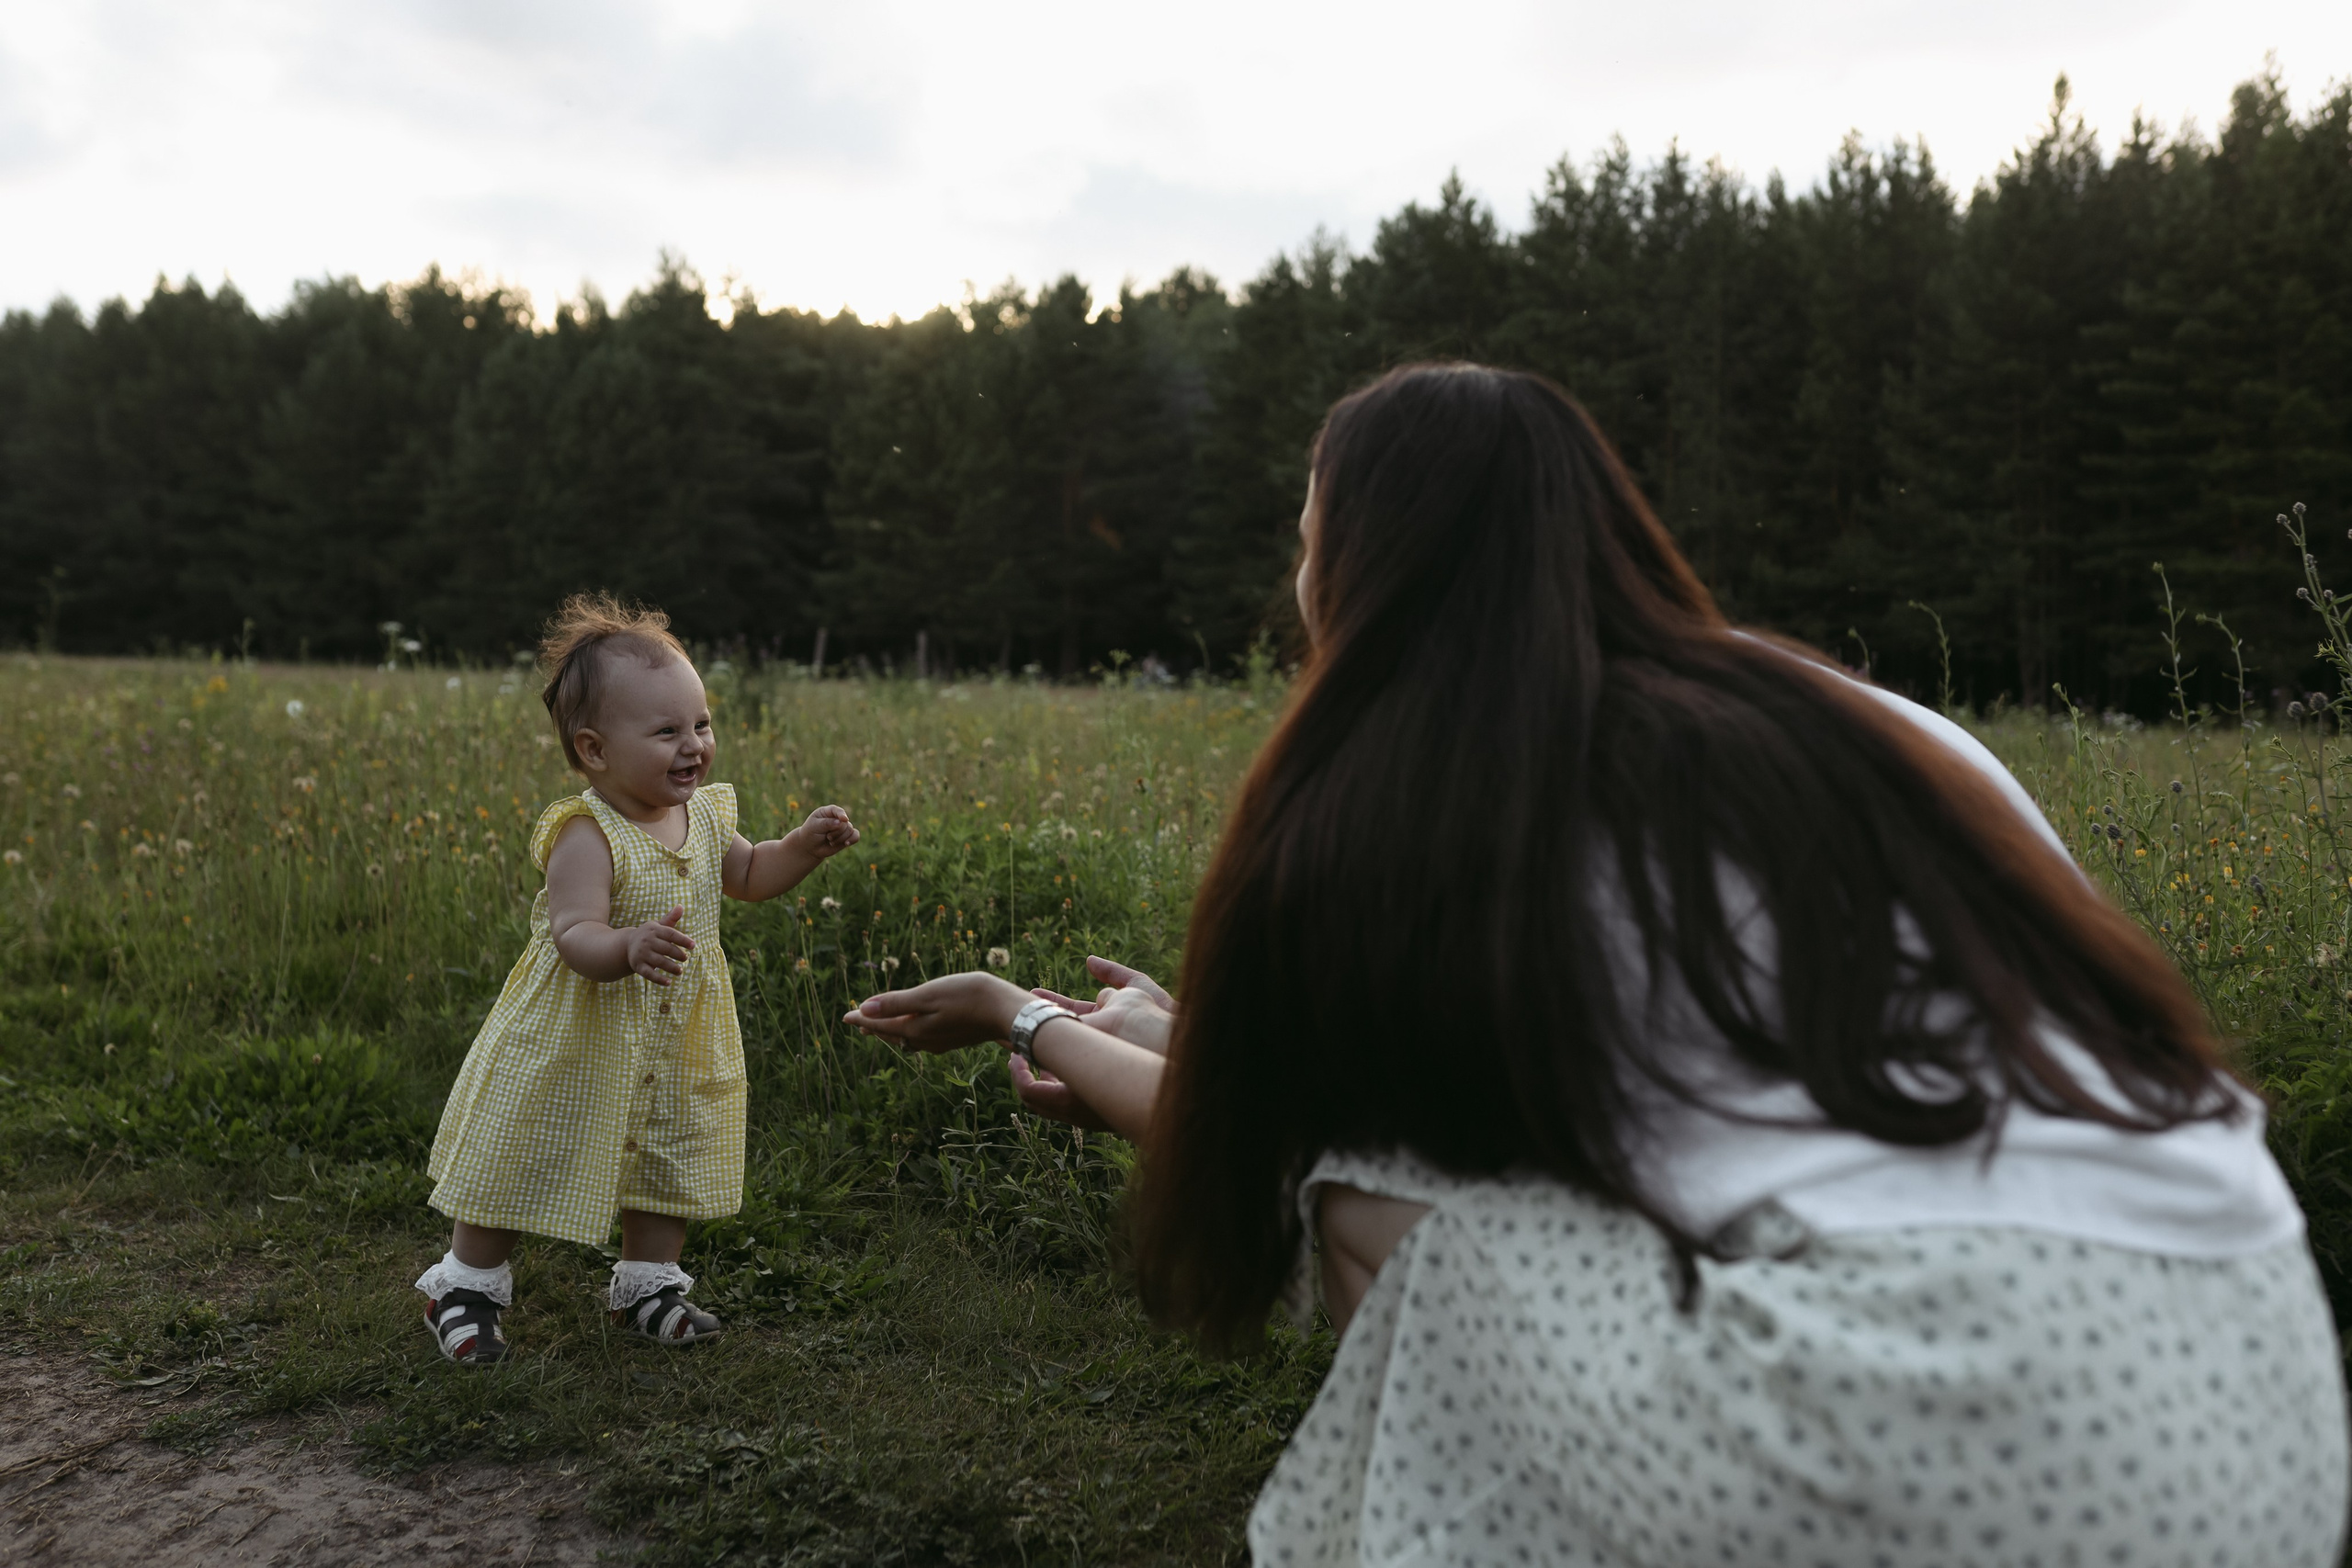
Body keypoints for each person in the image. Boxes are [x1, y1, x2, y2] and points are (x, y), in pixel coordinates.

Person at [842, 364, 2351, 1565]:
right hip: (2256, 1390)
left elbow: (1273, 1149)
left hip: (1957, 1433)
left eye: (1306, 545)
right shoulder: (1855, 720)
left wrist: (1021, 1013)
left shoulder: (1448, 789)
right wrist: (1189, 1028)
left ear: (1359, 568)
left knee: (1373, 1217)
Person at [417, 594, 859, 1363]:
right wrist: (624, 945)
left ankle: (648, 1287)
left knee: (668, 1151)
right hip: (577, 1036)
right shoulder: (588, 833)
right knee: (521, 1150)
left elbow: (750, 875)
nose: (694, 746)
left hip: (677, 1035)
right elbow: (574, 932)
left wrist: (801, 847)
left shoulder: (707, 817)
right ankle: (465, 1288)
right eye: (666, 732)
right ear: (594, 749)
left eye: (702, 724)